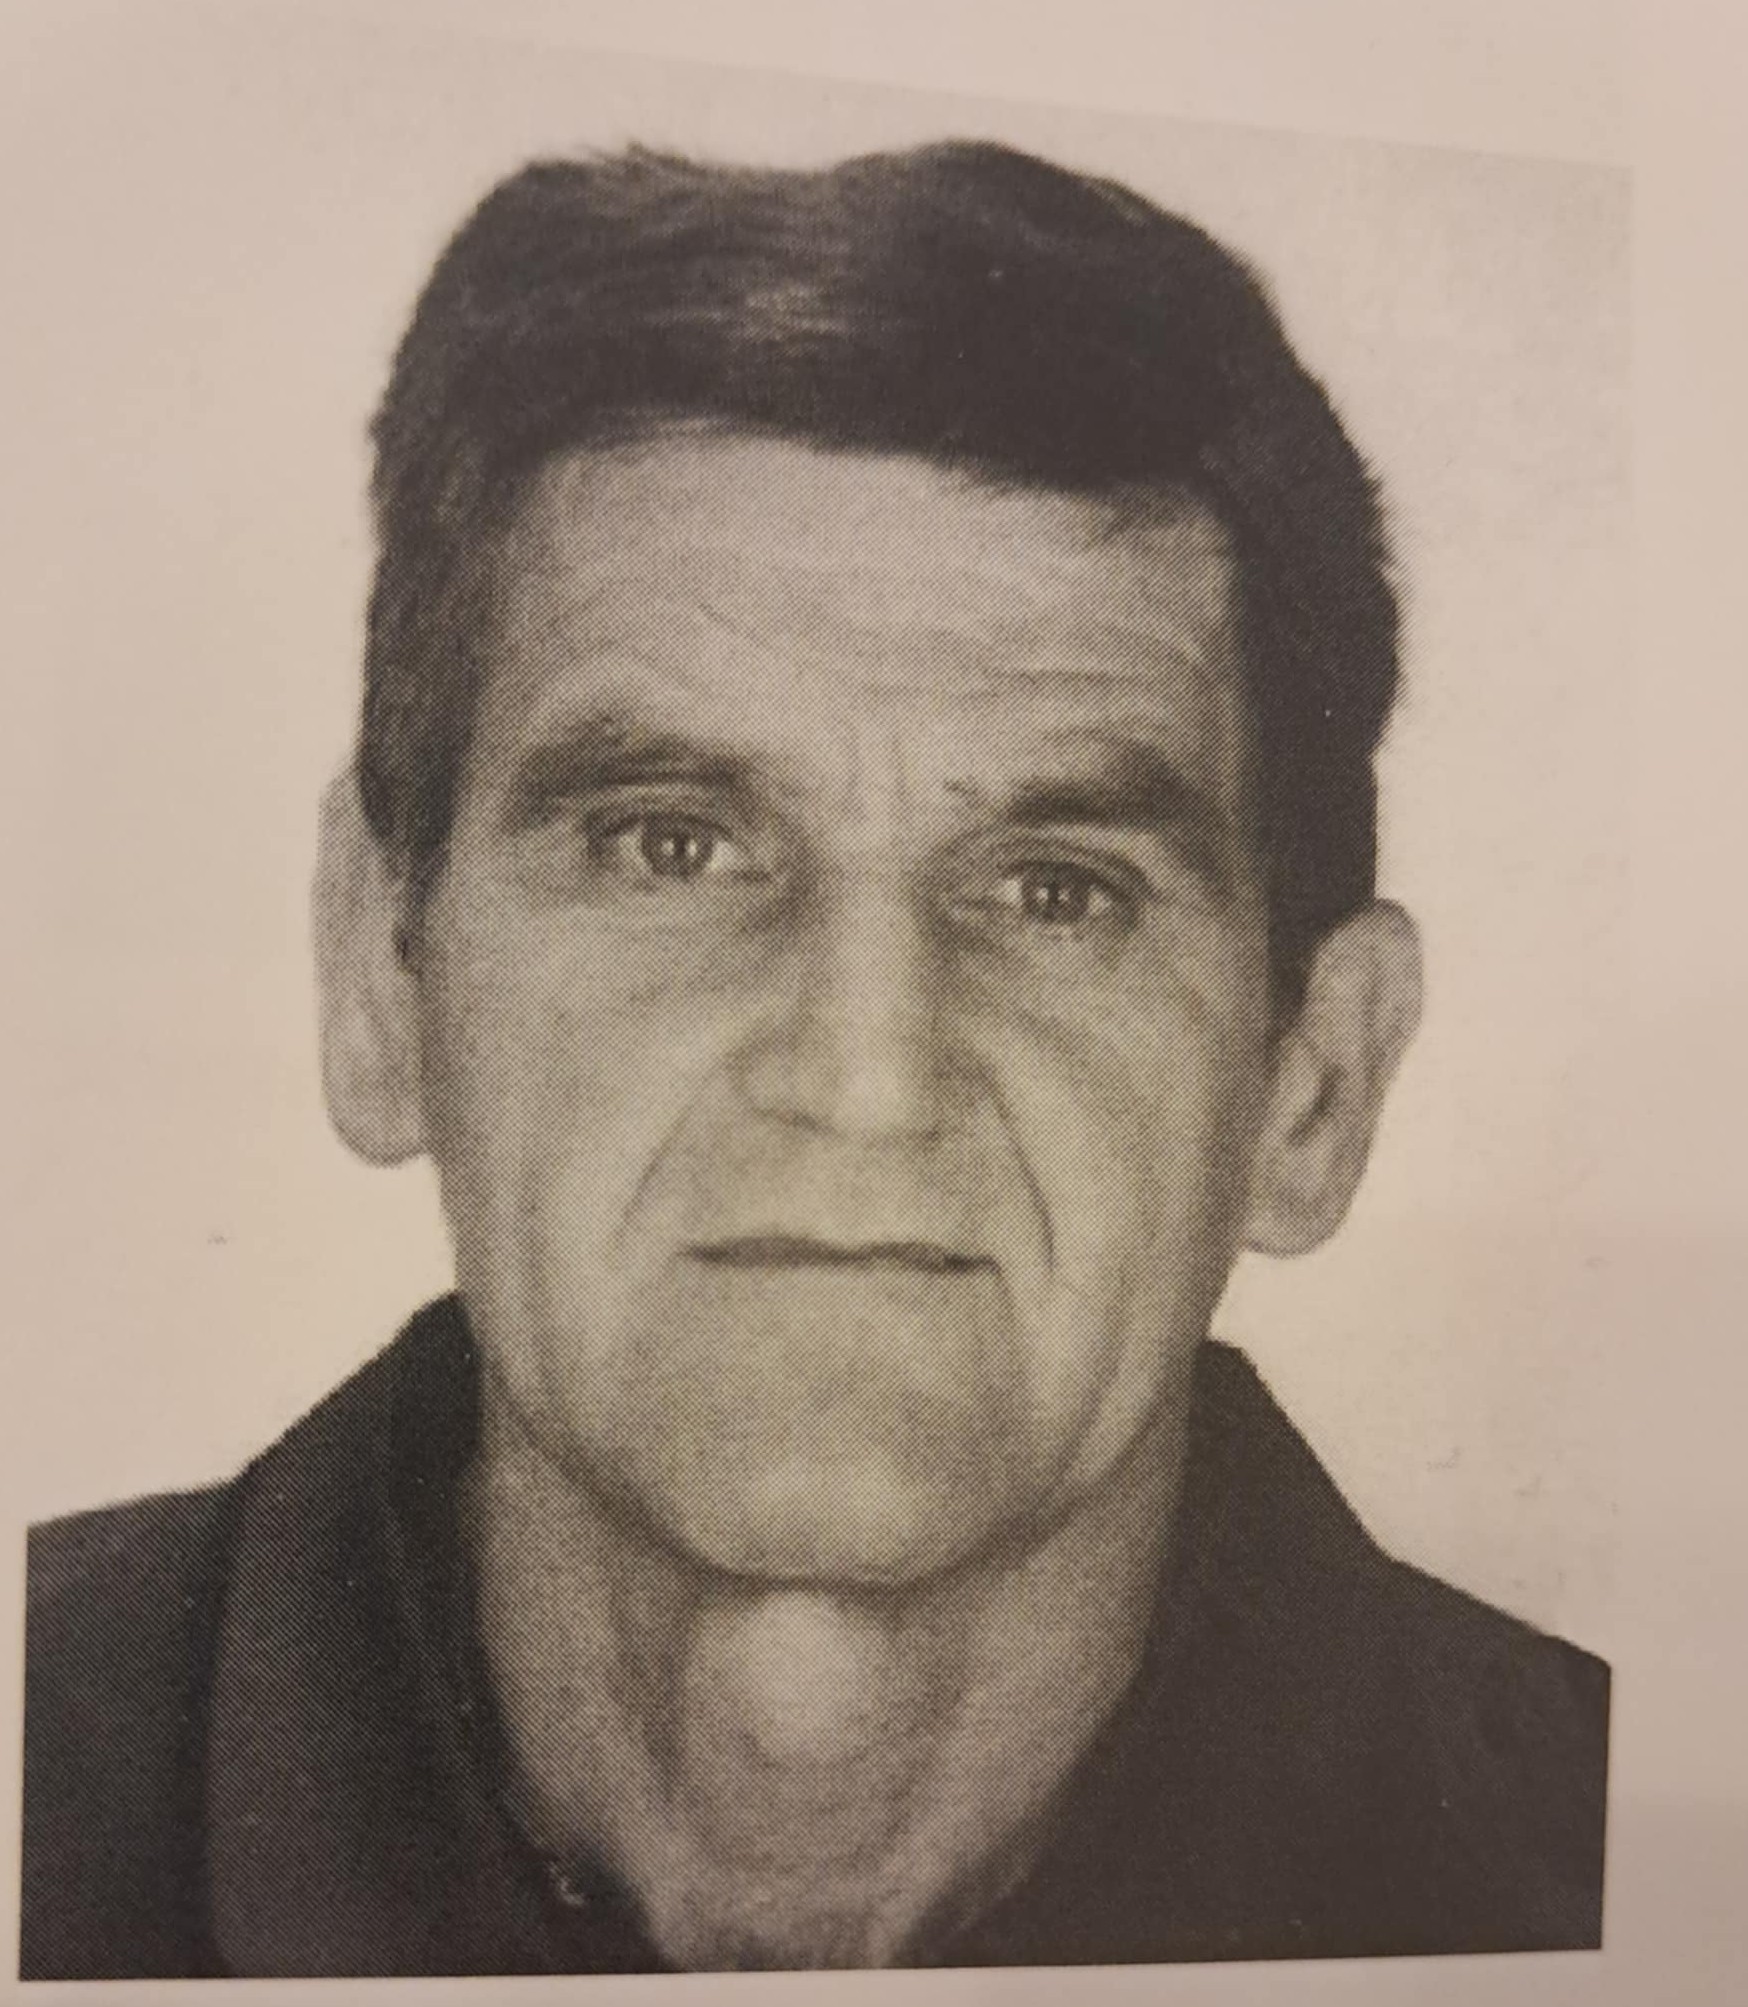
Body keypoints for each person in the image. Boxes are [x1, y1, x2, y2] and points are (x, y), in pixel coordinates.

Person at [20, 139, 1609, 1978]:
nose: (866, 1081)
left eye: (1057, 890)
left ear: (1312, 1088)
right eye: (668, 847)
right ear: (382, 975)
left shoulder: (1623, 1866)